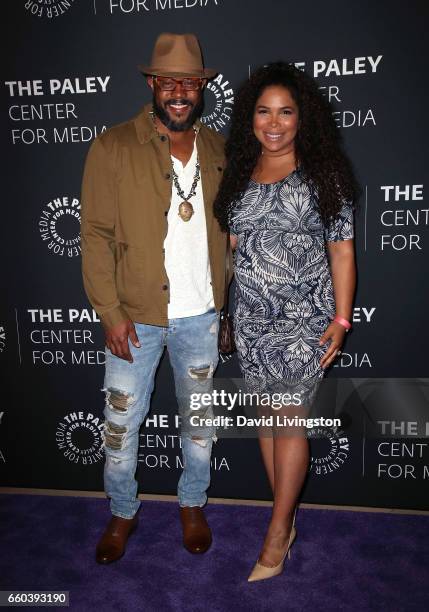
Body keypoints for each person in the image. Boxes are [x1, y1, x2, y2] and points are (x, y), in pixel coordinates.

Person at [81, 33, 227, 564]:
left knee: (200, 425)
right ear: (152, 84)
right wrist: (111, 313)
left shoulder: (219, 149)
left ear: (201, 86)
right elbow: (94, 233)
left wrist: (225, 307)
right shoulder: (114, 145)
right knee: (120, 426)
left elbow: (228, 235)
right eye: (169, 82)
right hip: (136, 319)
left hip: (202, 317)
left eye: (189, 81)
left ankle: (192, 503)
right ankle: (122, 511)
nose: (179, 91)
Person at [214, 62, 357, 581]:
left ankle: (276, 533)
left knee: (288, 419)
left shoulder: (324, 174)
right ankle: (286, 516)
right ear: (250, 116)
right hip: (251, 317)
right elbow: (231, 249)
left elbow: (341, 251)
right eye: (263, 112)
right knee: (268, 421)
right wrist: (224, 308)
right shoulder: (238, 172)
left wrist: (341, 319)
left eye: (286, 112)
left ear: (303, 119)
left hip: (303, 319)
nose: (273, 123)